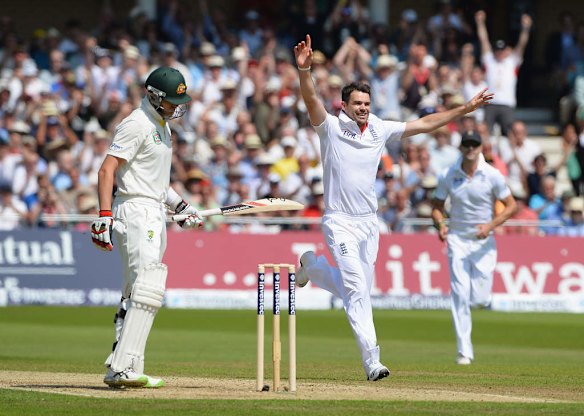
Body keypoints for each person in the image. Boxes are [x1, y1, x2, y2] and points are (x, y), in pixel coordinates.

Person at [292, 34, 493, 380]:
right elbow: (311, 100)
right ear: (344, 105)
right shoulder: (329, 127)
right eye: (357, 103)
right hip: (339, 221)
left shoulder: (379, 130)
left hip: (370, 224)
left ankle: (312, 264)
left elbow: (425, 123)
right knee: (356, 289)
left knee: (356, 290)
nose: (364, 108)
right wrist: (305, 72)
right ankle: (372, 362)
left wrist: (465, 110)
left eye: (367, 103)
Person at [90, 66, 203, 389]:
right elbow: (106, 171)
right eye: (170, 100)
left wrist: (180, 206)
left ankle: (126, 364)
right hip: (136, 212)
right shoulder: (137, 124)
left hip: (153, 210)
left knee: (136, 291)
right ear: (153, 96)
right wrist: (104, 215)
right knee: (147, 288)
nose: (176, 105)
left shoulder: (162, 126)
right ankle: (122, 367)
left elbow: (156, 183)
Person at [431, 130, 516, 365]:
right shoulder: (448, 174)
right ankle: (464, 352)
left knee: (479, 299)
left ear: (480, 148)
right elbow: (437, 206)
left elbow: (511, 206)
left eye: (474, 145)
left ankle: (477, 305)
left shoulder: (492, 175)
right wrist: (440, 225)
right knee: (459, 293)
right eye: (466, 144)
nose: (470, 149)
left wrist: (490, 225)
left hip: (482, 241)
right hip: (457, 238)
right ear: (461, 147)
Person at [475, 10, 532, 136]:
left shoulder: (512, 61)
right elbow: (484, 40)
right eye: (497, 50)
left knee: (509, 134)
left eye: (502, 50)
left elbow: (522, 44)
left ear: (507, 50)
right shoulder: (489, 60)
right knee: (486, 133)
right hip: (490, 103)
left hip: (507, 103)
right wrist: (480, 23)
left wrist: (526, 28)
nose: (499, 53)